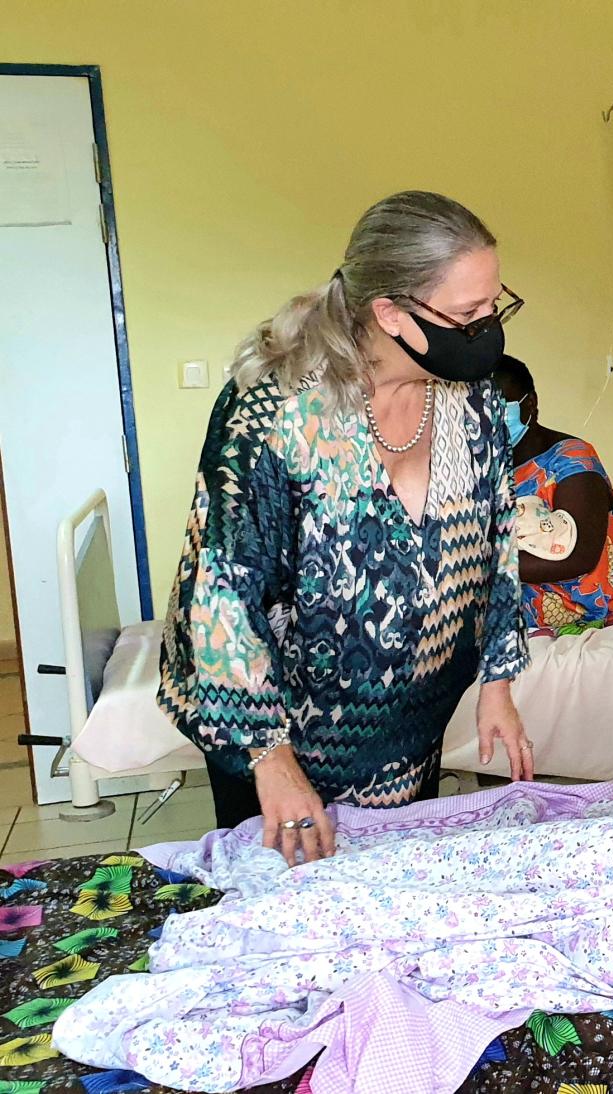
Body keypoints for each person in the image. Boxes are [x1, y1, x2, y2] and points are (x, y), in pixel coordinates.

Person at [158, 191, 536, 862]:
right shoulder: (275, 413)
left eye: (494, 306)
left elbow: (498, 537)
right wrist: (271, 763)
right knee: (288, 915)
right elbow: (219, 593)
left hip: (408, 727)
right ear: (389, 312)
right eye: (467, 314)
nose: (486, 330)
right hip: (284, 732)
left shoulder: (470, 396)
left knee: (380, 902)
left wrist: (497, 684)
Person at [492, 355, 613, 631]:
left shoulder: (572, 460)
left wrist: (480, 566)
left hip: (590, 620)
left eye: (498, 406)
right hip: (522, 625)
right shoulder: (492, 471)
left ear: (530, 404)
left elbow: (579, 556)